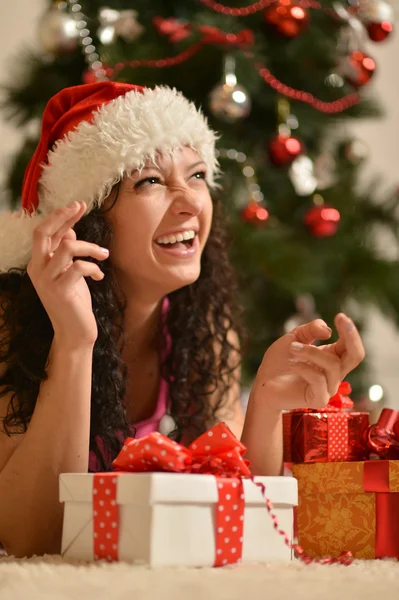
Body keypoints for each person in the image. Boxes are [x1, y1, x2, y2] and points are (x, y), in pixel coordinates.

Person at [0, 82, 365, 558]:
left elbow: (231, 524)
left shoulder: (204, 334)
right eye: (149, 181)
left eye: (196, 175)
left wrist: (267, 407)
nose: (191, 202)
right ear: (84, 219)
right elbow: (29, 540)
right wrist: (74, 341)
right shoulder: (12, 321)